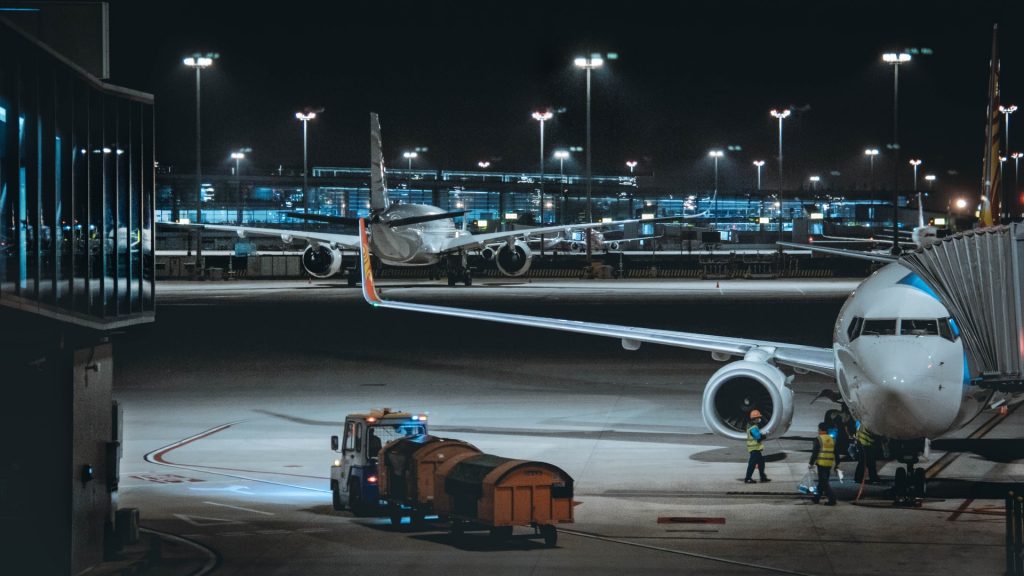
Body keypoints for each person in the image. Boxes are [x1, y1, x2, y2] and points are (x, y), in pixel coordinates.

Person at [809, 421, 838, 505]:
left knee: (824, 483)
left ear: (820, 429)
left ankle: (832, 499)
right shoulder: (832, 439)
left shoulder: (818, 439)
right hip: (829, 464)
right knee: (822, 482)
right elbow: (836, 452)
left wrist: (811, 463)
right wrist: (837, 463)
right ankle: (816, 498)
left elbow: (815, 452)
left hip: (821, 463)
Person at [744, 409, 771, 484]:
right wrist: (765, 435)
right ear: (754, 419)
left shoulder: (753, 426)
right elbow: (758, 437)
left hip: (756, 449)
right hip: (754, 449)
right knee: (752, 464)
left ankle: (762, 477)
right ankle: (748, 478)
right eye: (758, 417)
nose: (759, 419)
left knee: (761, 462)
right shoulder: (753, 428)